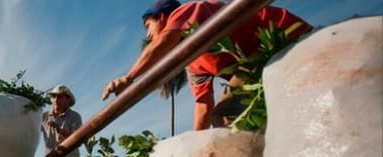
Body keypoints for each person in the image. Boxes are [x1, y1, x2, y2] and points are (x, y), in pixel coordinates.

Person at [101, 0, 312, 130]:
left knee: (227, 114)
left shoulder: (188, 12)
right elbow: (203, 105)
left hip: (282, 36)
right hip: (256, 64)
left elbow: (164, 41)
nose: (147, 33)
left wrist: (128, 78)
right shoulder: (193, 63)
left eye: (149, 25)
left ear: (163, 17)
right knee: (221, 114)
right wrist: (194, 145)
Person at [41, 84, 83, 157]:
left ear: (68, 100)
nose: (56, 100)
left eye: (59, 97)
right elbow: (31, 131)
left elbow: (77, 139)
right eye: (54, 97)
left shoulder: (75, 117)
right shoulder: (44, 117)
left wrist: (59, 129)